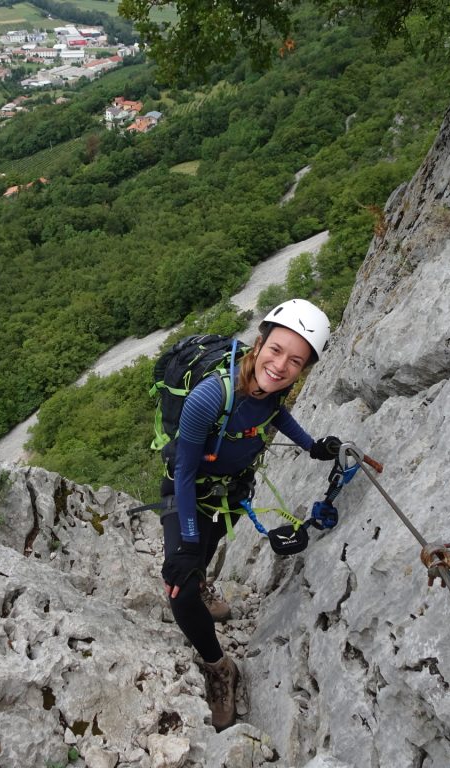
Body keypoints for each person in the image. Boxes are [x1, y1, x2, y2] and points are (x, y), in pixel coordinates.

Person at [160, 298, 342, 731]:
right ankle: (219, 666)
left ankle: (203, 578)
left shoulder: (274, 390)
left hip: (230, 493)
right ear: (259, 343)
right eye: (276, 350)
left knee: (206, 551)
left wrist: (312, 446)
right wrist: (184, 542)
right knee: (180, 587)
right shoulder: (211, 395)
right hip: (187, 492)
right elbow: (184, 472)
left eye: (295, 361)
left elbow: (276, 414)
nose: (281, 366)